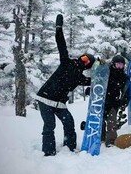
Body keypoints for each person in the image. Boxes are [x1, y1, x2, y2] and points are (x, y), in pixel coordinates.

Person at [35, 14, 95, 156]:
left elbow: (93, 83)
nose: (84, 60)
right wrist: (58, 29)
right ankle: (49, 152)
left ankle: (70, 147)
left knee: (69, 123)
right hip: (45, 98)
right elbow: (61, 44)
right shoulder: (66, 62)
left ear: (88, 66)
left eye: (87, 61)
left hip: (59, 104)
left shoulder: (80, 78)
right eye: (84, 57)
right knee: (50, 125)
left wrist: (103, 73)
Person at [102, 55, 130, 147]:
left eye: (121, 65)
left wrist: (124, 102)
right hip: (101, 100)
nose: (119, 67)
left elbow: (125, 91)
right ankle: (100, 137)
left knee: (112, 121)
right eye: (118, 65)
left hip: (114, 102)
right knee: (100, 120)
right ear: (113, 64)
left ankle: (111, 140)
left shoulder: (123, 77)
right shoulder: (107, 72)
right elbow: (98, 81)